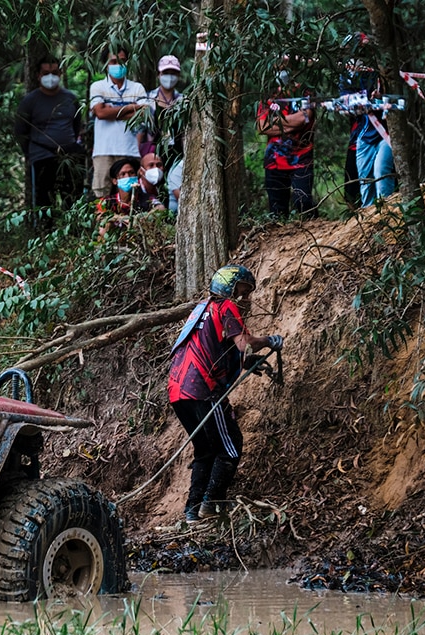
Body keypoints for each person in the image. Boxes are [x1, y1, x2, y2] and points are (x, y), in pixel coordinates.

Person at [168, 264, 284, 522]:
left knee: (205, 450)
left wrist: (245, 362)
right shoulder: (225, 307)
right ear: (230, 288)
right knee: (231, 445)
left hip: (178, 391)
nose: (245, 299)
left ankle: (192, 511)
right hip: (203, 390)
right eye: (243, 291)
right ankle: (212, 503)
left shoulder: (200, 311)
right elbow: (244, 342)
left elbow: (211, 350)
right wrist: (269, 340)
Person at [14, 54, 84, 221]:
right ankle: (44, 235)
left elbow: (77, 125)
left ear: (60, 73)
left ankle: (74, 231)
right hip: (42, 157)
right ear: (38, 75)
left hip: (69, 157)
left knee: (72, 196)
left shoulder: (71, 98)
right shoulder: (29, 102)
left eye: (53, 72)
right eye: (45, 73)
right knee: (44, 201)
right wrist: (32, 154)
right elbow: (20, 131)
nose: (50, 77)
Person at [89, 45, 148, 199]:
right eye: (113, 61)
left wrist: (111, 111)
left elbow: (143, 115)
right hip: (103, 152)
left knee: (131, 197)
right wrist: (130, 108)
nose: (118, 65)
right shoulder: (98, 86)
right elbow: (100, 113)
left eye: (122, 61)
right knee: (101, 196)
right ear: (106, 65)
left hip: (130, 151)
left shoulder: (137, 88)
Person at [256, 67, 316, 218]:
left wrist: (276, 124)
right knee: (277, 211)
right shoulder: (269, 95)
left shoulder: (305, 92)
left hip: (302, 159)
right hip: (274, 161)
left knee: (304, 203)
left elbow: (304, 118)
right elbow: (262, 126)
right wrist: (293, 123)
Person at [138, 55, 185, 165]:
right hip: (152, 154)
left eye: (173, 73)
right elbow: (140, 129)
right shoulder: (147, 100)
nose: (169, 76)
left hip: (177, 154)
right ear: (158, 74)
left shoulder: (183, 101)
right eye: (166, 72)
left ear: (178, 75)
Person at [96, 157, 140, 240]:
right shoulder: (106, 201)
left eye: (131, 173)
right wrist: (120, 218)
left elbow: (160, 208)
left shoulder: (146, 199)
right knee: (104, 226)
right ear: (115, 181)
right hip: (113, 239)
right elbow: (99, 216)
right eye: (123, 174)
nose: (128, 176)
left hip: (138, 238)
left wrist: (139, 219)